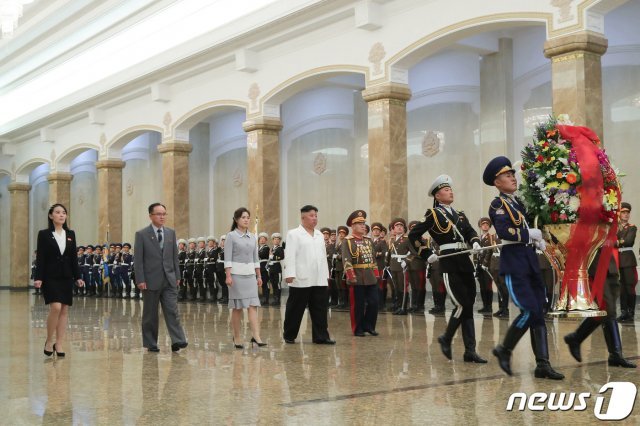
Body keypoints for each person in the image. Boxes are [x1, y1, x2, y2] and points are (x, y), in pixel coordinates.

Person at [483, 157, 563, 379]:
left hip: (530, 261)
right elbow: (504, 232)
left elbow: (531, 225)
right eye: (507, 175)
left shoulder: (519, 203)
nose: (512, 178)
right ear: (497, 182)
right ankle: (504, 350)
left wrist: (538, 237)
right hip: (515, 262)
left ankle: (543, 364)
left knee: (539, 312)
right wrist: (529, 234)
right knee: (530, 310)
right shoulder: (498, 204)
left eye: (512, 174)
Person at [408, 175, 487, 364]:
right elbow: (414, 235)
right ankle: (446, 337)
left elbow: (469, 231)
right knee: (462, 304)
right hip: (449, 262)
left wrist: (475, 242)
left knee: (468, 305)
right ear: (437, 195)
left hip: (464, 261)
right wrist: (426, 254)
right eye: (446, 190)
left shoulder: (459, 214)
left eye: (450, 189)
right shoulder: (433, 214)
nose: (450, 191)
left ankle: (470, 351)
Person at [563, 249, 636, 368]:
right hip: (593, 263)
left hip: (608, 262)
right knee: (607, 308)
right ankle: (578, 338)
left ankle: (614, 354)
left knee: (609, 310)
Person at [134, 203, 188, 353]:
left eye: (164, 213)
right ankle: (151, 343)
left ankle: (178, 340)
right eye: (158, 214)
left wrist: (177, 275)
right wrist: (140, 279)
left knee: (172, 310)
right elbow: (138, 260)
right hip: (150, 280)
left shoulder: (171, 233)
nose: (162, 216)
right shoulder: (142, 234)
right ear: (151, 216)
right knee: (150, 314)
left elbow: (174, 257)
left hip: (169, 279)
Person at [34, 203, 85, 357]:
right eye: (57, 212)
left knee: (64, 310)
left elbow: (73, 258)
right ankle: (49, 340)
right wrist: (38, 277)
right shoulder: (43, 234)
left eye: (64, 212)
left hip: (66, 276)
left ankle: (60, 343)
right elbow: (41, 257)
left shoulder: (70, 234)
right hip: (50, 276)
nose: (61, 215)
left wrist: (77, 277)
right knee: (55, 307)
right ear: (51, 215)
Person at [283, 205, 335, 344]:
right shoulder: (294, 234)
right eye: (312, 215)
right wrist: (289, 273)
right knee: (296, 308)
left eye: (316, 215)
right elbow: (290, 255)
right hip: (301, 277)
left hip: (318, 278)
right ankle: (289, 335)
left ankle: (321, 336)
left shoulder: (319, 234)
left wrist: (326, 275)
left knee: (320, 309)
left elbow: (323, 257)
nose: (315, 218)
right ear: (303, 217)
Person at [224, 207, 266, 348]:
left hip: (250, 276)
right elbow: (227, 258)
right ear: (236, 220)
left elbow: (256, 259)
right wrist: (228, 275)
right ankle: (236, 337)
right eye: (243, 217)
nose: (246, 219)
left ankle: (256, 336)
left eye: (248, 217)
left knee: (253, 306)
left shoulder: (253, 237)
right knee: (237, 308)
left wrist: (259, 276)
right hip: (236, 276)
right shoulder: (231, 236)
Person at [343, 210, 379, 336]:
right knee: (357, 305)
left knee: (374, 303)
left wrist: (376, 273)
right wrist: (351, 276)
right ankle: (357, 328)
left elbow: (373, 258)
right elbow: (346, 260)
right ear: (353, 226)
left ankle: (369, 326)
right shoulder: (348, 241)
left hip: (370, 276)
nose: (363, 225)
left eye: (364, 223)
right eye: (360, 223)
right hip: (357, 277)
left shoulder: (368, 240)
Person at [617, 202, 637, 322]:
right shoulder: (614, 227)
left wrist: (617, 241)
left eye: (627, 212)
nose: (625, 214)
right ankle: (624, 312)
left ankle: (631, 312)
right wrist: (620, 240)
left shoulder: (632, 227)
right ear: (619, 213)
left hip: (628, 259)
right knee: (621, 288)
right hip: (617, 259)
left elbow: (629, 241)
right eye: (623, 212)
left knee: (629, 287)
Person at [387, 219, 410, 314]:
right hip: (393, 266)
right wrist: (387, 264)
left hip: (402, 266)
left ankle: (404, 308)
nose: (399, 227)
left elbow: (413, 254)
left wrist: (406, 261)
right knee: (396, 287)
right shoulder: (392, 240)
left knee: (403, 287)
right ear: (393, 229)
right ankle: (398, 305)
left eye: (401, 226)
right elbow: (389, 254)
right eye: (397, 226)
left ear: (404, 229)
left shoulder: (407, 239)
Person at [476, 218, 495, 314]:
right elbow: (476, 253)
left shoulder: (491, 237)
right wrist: (476, 265)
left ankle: (489, 306)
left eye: (487, 225)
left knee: (488, 286)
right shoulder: (478, 238)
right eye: (483, 225)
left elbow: (489, 251)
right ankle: (485, 306)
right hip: (479, 266)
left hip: (487, 266)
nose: (485, 226)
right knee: (482, 286)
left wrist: (485, 263)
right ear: (480, 226)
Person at [269, 233, 285, 306]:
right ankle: (275, 298)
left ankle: (278, 300)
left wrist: (273, 257)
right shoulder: (271, 249)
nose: (276, 241)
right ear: (273, 240)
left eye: (278, 239)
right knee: (273, 284)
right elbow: (269, 259)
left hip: (277, 268)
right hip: (271, 268)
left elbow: (281, 257)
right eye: (275, 239)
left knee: (278, 284)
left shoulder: (280, 248)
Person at [258, 232, 271, 305]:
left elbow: (262, 255)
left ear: (266, 240)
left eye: (264, 239)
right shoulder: (259, 248)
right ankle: (263, 298)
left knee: (265, 283)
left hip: (264, 267)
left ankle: (266, 299)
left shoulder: (266, 248)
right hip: (259, 267)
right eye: (261, 239)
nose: (262, 240)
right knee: (262, 284)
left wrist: (256, 253)